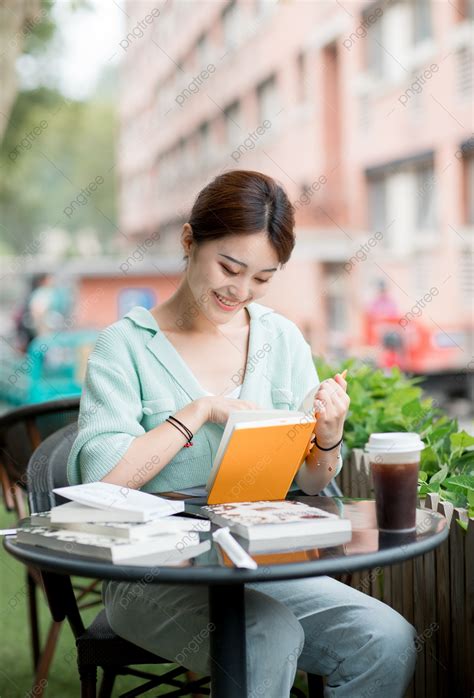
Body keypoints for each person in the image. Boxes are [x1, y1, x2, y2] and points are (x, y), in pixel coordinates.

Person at [67, 170, 417, 697]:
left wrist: (328, 433)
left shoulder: (279, 337)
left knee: (387, 638)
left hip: (262, 564)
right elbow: (103, 486)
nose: (241, 291)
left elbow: (315, 482)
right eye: (229, 267)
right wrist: (198, 411)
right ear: (189, 241)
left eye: (262, 278)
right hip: (151, 576)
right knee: (267, 637)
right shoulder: (125, 346)